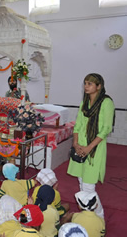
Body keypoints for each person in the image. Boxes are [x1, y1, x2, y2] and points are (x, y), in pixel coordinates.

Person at [67, 73, 115, 219]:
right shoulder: (85, 102)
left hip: (95, 149)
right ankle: (87, 217)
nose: (86, 86)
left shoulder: (106, 103)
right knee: (82, 183)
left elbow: (106, 129)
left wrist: (89, 148)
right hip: (80, 146)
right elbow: (78, 124)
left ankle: (99, 218)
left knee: (88, 187)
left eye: (90, 84)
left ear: (99, 86)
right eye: (85, 83)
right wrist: (75, 143)